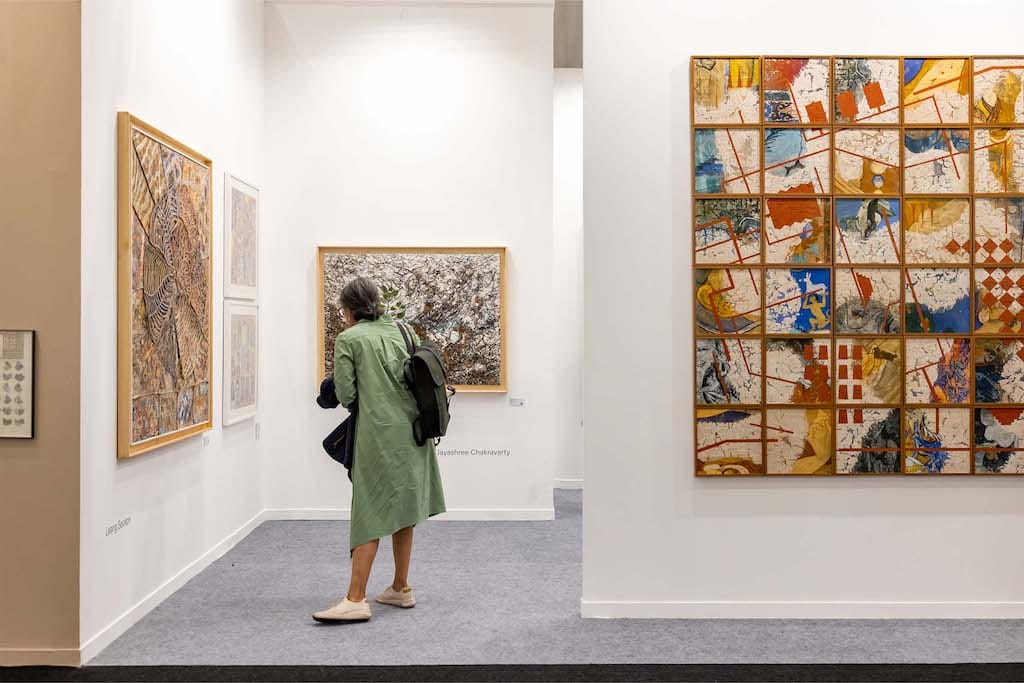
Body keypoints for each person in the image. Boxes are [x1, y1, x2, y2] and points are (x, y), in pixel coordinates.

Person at [313, 277, 446, 623]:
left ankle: (356, 598)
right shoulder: (404, 330)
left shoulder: (349, 339)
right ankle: (400, 587)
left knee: (368, 512)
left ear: (348, 310)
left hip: (378, 437)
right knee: (404, 510)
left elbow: (347, 395)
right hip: (414, 435)